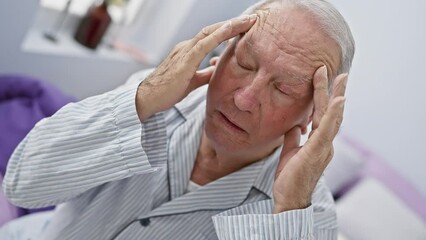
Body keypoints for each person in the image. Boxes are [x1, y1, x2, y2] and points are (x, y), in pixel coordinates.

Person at [2, 0, 355, 239]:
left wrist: (288, 211)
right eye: (244, 64)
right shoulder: (153, 101)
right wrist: (140, 99)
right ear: (219, 52)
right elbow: (22, 184)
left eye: (284, 89)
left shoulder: (309, 215)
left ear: (312, 114)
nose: (245, 99)